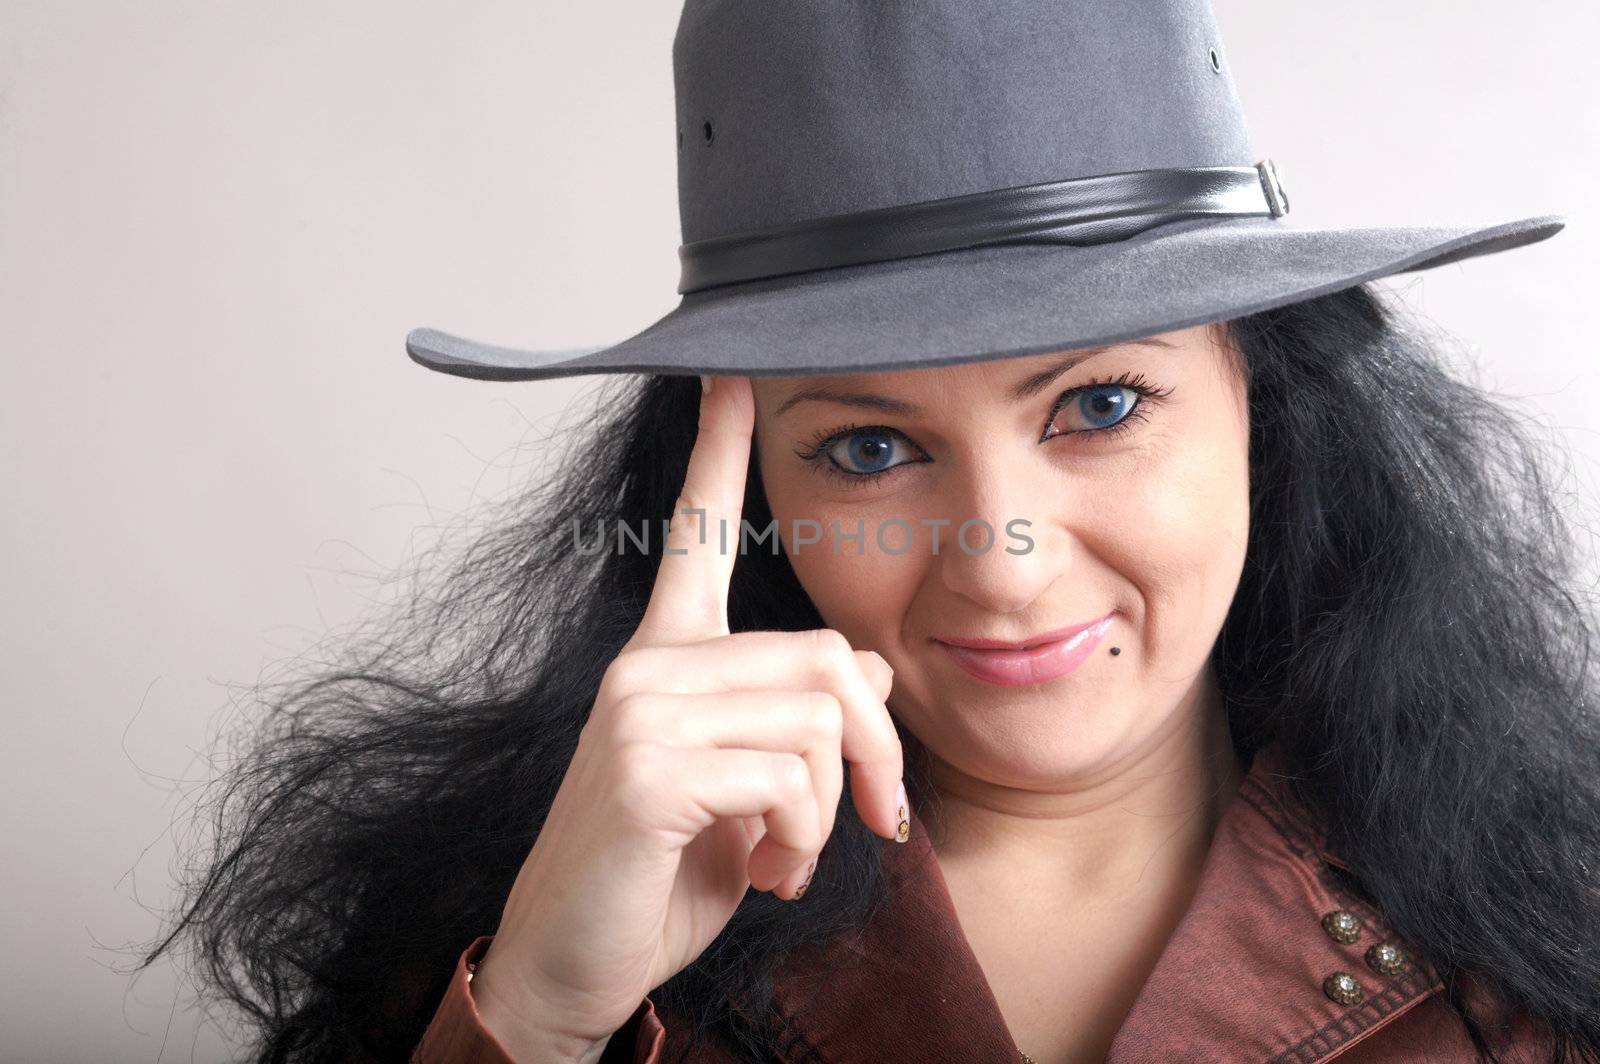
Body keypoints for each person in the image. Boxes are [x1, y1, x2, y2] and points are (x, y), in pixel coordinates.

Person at [139, 2, 1600, 1063]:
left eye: (1098, 403)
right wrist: (532, 1017)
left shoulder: (1557, 920)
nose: (1002, 560)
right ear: (751, 485)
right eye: (871, 447)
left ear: (1264, 408)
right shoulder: (511, 953)